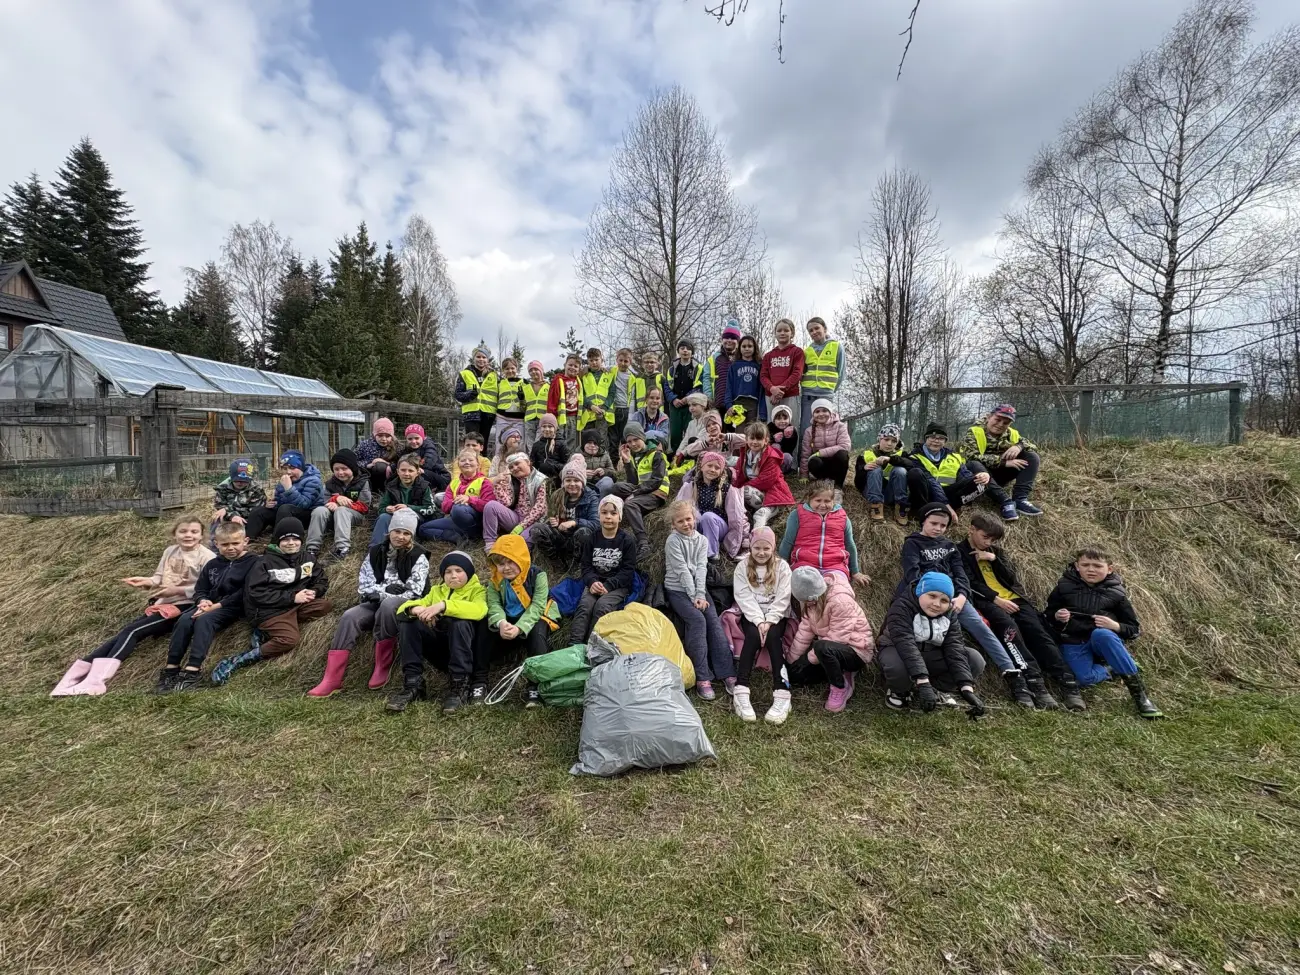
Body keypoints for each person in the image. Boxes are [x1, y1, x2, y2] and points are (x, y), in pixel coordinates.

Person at [51, 514, 214, 697]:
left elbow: (206, 588)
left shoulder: (207, 557)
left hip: (185, 605)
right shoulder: (170, 551)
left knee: (133, 632)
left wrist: (176, 591)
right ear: (174, 534)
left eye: (194, 532)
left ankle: (96, 681)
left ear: (202, 535)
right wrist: (146, 581)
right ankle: (75, 676)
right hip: (163, 603)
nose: (188, 535)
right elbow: (160, 577)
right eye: (183, 531)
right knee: (124, 632)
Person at [899, 502, 1034, 706]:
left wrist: (962, 595)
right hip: (925, 599)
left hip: (954, 599)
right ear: (923, 521)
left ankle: (1011, 672)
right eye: (933, 523)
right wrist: (930, 598)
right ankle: (915, 684)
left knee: (981, 629)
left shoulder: (950, 546)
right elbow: (912, 573)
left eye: (943, 525)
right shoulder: (913, 543)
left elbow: (961, 575)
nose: (938, 528)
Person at [959, 512, 1082, 711]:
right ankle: (1034, 682)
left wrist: (993, 559)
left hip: (1016, 599)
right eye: (985, 537)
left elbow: (1011, 577)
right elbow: (966, 582)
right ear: (972, 529)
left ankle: (1068, 684)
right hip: (988, 602)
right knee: (1011, 631)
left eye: (993, 539)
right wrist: (995, 599)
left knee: (1038, 632)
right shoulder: (959, 552)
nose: (988, 542)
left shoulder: (995, 552)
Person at [306, 509, 431, 698]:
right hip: (375, 602)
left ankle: (383, 665)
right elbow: (365, 585)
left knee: (388, 607)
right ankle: (332, 678)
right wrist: (384, 591)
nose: (401, 536)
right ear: (390, 531)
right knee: (350, 616)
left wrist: (381, 594)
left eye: (406, 533)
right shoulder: (375, 552)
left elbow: (414, 591)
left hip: (404, 605)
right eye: (397, 531)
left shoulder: (419, 556)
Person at [211, 517, 331, 685]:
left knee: (324, 606)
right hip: (268, 610)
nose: (291, 543)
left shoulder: (307, 558)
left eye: (295, 538)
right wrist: (292, 597)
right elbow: (255, 594)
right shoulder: (264, 562)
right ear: (277, 541)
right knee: (289, 640)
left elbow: (321, 580)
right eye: (285, 539)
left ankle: (268, 631)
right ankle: (239, 660)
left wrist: (314, 591)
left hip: (294, 605)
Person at [1044, 548, 1162, 719]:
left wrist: (1114, 625)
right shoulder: (1063, 587)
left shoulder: (1117, 593)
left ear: (1109, 569)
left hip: (1103, 640)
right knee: (1084, 679)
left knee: (1102, 634)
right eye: (1085, 565)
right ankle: (1113, 668)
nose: (1091, 570)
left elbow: (1133, 630)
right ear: (1077, 566)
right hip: (1073, 640)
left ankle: (1141, 697)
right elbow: (1048, 615)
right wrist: (1057, 616)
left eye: (1097, 566)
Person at [387, 551, 489, 714]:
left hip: (464, 654)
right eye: (448, 572)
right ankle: (413, 684)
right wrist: (415, 609)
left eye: (458, 570)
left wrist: (443, 606)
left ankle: (459, 687)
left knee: (460, 623)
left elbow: (480, 610)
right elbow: (401, 610)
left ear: (468, 573)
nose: (453, 576)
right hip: (440, 650)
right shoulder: (436, 591)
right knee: (409, 623)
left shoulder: (478, 591)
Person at [876, 571, 987, 716]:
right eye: (932, 596)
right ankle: (901, 690)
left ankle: (935, 689)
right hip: (897, 650)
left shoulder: (950, 614)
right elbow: (906, 644)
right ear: (920, 591)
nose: (936, 604)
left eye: (944, 600)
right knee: (896, 667)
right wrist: (923, 681)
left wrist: (966, 688)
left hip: (930, 654)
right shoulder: (901, 607)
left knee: (974, 659)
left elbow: (954, 648)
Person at [663, 499, 735, 701]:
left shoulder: (702, 541)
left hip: (700, 590)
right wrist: (694, 596)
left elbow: (701, 568)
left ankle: (727, 672)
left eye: (688, 519)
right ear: (673, 525)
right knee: (697, 621)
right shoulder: (673, 541)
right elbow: (682, 570)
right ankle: (702, 676)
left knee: (713, 622)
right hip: (677, 590)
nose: (686, 524)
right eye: (680, 521)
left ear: (694, 518)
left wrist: (701, 594)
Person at [485, 534, 561, 708]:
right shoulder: (495, 580)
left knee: (537, 633)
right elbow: (494, 604)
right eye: (501, 563)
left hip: (535, 615)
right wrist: (501, 623)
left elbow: (538, 606)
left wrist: (520, 628)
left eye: (511, 562)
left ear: (521, 559)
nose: (506, 568)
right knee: (485, 627)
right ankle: (479, 678)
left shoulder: (538, 575)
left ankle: (536, 686)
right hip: (509, 618)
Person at [784, 567, 874, 714]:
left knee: (821, 647)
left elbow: (838, 638)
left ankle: (840, 686)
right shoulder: (810, 604)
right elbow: (804, 632)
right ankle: (840, 672)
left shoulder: (841, 601)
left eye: (807, 600)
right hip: (829, 651)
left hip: (855, 649)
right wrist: (792, 661)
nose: (805, 604)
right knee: (795, 676)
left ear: (813, 595)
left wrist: (807, 659)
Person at [731, 527, 793, 724]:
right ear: (751, 547)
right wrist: (759, 621)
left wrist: (770, 620)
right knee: (754, 637)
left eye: (766, 548)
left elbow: (784, 597)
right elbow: (744, 597)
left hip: (776, 615)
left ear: (773, 548)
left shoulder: (782, 567)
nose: (761, 552)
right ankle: (741, 689)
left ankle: (782, 692)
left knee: (774, 637)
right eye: (757, 547)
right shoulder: (742, 567)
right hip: (752, 614)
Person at [569, 496, 638, 643]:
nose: (608, 517)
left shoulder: (627, 540)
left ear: (620, 517)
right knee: (584, 606)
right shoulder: (591, 539)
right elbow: (586, 567)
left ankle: (591, 646)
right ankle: (574, 646)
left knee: (602, 607)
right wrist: (592, 582)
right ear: (599, 515)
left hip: (617, 586)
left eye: (613, 513)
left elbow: (628, 571)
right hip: (595, 582)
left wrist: (609, 585)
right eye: (604, 512)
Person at [959, 404, 1044, 520]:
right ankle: (1005, 501)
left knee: (1032, 456)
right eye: (997, 419)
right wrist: (1003, 462)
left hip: (999, 476)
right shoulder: (974, 432)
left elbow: (1033, 447)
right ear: (989, 417)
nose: (1000, 425)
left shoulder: (1011, 433)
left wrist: (1019, 446)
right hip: (978, 476)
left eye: (1005, 423)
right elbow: (970, 456)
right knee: (974, 464)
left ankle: (1020, 499)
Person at [777, 480, 871, 586]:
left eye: (827, 501)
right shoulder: (797, 515)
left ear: (833, 501)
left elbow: (849, 544)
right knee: (807, 592)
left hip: (835, 567)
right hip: (805, 565)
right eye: (818, 500)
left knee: (840, 593)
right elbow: (788, 542)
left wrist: (855, 572)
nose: (822, 505)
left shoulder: (842, 517)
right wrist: (780, 567)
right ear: (809, 499)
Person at [904, 423, 989, 521]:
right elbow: (931, 481)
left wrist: (981, 475)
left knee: (980, 482)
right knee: (915, 473)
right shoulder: (914, 456)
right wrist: (945, 504)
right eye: (932, 437)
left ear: (945, 441)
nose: (936, 441)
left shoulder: (954, 456)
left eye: (941, 438)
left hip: (949, 494)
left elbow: (965, 475)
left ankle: (953, 508)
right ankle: (921, 512)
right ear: (925, 439)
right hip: (927, 494)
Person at [675, 451, 750, 559]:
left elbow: (737, 516)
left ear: (721, 471)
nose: (712, 470)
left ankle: (712, 555)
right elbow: (681, 509)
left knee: (708, 516)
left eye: (717, 467)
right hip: (700, 527)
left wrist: (740, 540)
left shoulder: (727, 489)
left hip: (720, 528)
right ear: (702, 466)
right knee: (694, 515)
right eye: (709, 465)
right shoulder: (693, 485)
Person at [610, 423, 670, 559]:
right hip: (643, 489)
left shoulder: (657, 455)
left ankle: (644, 543)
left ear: (642, 437)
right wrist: (627, 461)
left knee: (631, 504)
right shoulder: (636, 456)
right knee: (616, 487)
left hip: (657, 492)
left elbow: (656, 480)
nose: (633, 444)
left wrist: (634, 494)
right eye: (629, 441)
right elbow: (633, 482)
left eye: (635, 439)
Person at [530, 457, 599, 565]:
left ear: (583, 482)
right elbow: (551, 517)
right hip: (561, 535)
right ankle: (557, 562)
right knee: (536, 529)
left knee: (583, 532)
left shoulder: (591, 498)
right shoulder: (557, 495)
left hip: (579, 537)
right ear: (563, 482)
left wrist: (575, 522)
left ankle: (576, 564)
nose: (572, 484)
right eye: (568, 480)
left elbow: (596, 524)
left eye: (576, 480)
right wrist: (553, 522)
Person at [243, 450, 326, 540]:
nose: (288, 472)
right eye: (285, 468)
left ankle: (276, 543)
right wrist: (272, 504)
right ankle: (247, 539)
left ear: (301, 467)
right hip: (286, 514)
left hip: (306, 517)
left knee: (285, 508)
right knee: (259, 511)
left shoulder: (313, 481)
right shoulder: (285, 480)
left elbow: (304, 504)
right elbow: (280, 502)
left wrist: (289, 488)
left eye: (292, 468)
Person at [306, 449, 371, 559]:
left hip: (354, 516)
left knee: (341, 510)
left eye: (344, 468)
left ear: (353, 468)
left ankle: (342, 548)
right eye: (336, 469)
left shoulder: (362, 482)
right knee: (319, 510)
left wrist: (342, 504)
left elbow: (365, 506)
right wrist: (335, 499)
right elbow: (325, 502)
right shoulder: (330, 484)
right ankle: (312, 548)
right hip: (333, 517)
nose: (340, 472)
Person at [422, 448, 496, 544]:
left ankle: (474, 534)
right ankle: (457, 537)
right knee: (423, 529)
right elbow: (444, 507)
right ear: (458, 464)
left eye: (470, 460)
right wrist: (457, 500)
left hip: (476, 521)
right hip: (456, 520)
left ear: (478, 464)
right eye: (463, 460)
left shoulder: (484, 482)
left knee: (458, 509)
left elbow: (488, 506)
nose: (467, 462)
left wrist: (469, 499)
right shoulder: (454, 483)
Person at [732, 422, 795, 532]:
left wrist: (741, 488)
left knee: (759, 514)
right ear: (746, 439)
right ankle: (742, 531)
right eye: (752, 438)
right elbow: (739, 473)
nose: (755, 442)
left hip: (773, 493)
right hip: (756, 493)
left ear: (766, 440)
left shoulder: (771, 456)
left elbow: (765, 481)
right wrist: (733, 487)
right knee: (737, 497)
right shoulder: (745, 454)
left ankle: (758, 539)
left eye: (759, 439)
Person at [480, 453, 549, 551]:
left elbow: (539, 509)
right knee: (491, 506)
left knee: (522, 541)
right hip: (516, 517)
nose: (514, 468)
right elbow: (507, 503)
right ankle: (490, 544)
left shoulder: (541, 480)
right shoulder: (513, 480)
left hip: (534, 522)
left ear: (528, 462)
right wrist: (497, 485)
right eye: (511, 467)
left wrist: (522, 526)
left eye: (517, 464)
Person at [852, 423, 916, 525]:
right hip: (870, 493)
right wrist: (863, 469)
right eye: (886, 439)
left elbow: (912, 466)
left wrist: (891, 459)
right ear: (879, 439)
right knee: (875, 468)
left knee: (900, 470)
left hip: (890, 494)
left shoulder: (902, 454)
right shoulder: (865, 455)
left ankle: (901, 508)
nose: (889, 444)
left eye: (894, 441)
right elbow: (858, 484)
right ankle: (876, 508)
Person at [370, 454, 439, 546]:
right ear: (398, 471)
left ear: (417, 472)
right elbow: (381, 509)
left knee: (408, 517)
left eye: (410, 470)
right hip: (395, 517)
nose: (406, 474)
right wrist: (387, 509)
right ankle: (375, 550)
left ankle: (406, 549)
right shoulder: (391, 486)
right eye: (403, 470)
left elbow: (431, 509)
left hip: (417, 519)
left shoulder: (424, 486)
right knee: (383, 517)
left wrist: (409, 508)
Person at [761, 318, 805, 436]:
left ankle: (793, 455)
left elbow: (797, 373)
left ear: (792, 333)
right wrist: (772, 389)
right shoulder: (768, 355)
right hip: (771, 397)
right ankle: (772, 454)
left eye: (786, 330)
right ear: (775, 333)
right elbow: (763, 376)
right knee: (772, 430)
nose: (782, 333)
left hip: (791, 395)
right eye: (779, 330)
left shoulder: (797, 352)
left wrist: (780, 391)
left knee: (791, 429)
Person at [799, 399, 852, 490]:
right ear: (813, 414)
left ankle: (838, 486)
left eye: (824, 410)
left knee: (843, 454)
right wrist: (804, 474)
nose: (821, 414)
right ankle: (824, 482)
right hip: (821, 464)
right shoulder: (809, 431)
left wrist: (820, 452)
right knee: (813, 461)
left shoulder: (840, 426)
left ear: (830, 412)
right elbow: (805, 454)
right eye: (817, 411)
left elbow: (845, 445)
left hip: (836, 463)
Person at [211, 458, 266, 545]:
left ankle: (239, 544)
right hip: (228, 517)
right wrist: (232, 515)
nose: (240, 483)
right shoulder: (222, 488)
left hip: (246, 519)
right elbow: (219, 504)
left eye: (244, 481)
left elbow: (255, 510)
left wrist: (230, 511)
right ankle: (215, 545)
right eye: (237, 480)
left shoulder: (256, 490)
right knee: (216, 517)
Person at [800, 316, 842, 424]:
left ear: (825, 329)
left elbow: (841, 373)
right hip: (808, 395)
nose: (814, 332)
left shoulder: (836, 347)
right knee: (807, 427)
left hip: (826, 394)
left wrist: (831, 390)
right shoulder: (807, 351)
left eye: (817, 328)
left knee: (826, 428)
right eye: (811, 330)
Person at [454, 345, 498, 441]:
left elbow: (500, 394)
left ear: (488, 360)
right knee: (472, 443)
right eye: (478, 357)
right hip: (471, 414)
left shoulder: (495, 376)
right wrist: (469, 395)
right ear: (473, 358)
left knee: (484, 444)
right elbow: (457, 394)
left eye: (484, 357)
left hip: (488, 414)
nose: (481, 359)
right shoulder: (465, 373)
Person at [667, 340, 704, 452]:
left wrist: (687, 398)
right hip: (675, 406)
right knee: (675, 433)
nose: (685, 350)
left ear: (692, 352)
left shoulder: (698, 368)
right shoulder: (672, 369)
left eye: (688, 348)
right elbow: (667, 387)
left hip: (690, 405)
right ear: (678, 351)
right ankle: (674, 457)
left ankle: (689, 455)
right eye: (682, 348)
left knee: (691, 432)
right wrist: (673, 399)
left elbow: (699, 386)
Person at [354, 418, 402, 497]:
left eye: (387, 436)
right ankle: (366, 493)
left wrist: (387, 464)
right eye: (380, 435)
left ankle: (384, 492)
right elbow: (353, 461)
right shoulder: (365, 445)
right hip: (367, 475)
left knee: (380, 467)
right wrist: (367, 464)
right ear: (374, 434)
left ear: (392, 435)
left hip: (388, 477)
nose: (383, 439)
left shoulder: (398, 447)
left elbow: (402, 463)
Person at [546, 354, 585, 450]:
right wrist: (552, 418)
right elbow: (552, 399)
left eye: (576, 366)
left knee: (572, 443)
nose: (573, 368)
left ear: (579, 369)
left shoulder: (579, 381)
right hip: (561, 418)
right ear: (565, 365)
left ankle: (570, 463)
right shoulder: (558, 380)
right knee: (559, 442)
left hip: (574, 418)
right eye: (570, 365)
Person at [724, 334, 763, 428]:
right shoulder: (734, 366)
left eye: (750, 346)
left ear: (755, 348)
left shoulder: (759, 366)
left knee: (752, 432)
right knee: (739, 434)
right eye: (744, 346)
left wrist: (762, 411)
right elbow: (728, 387)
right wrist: (729, 405)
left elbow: (762, 389)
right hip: (738, 404)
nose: (747, 349)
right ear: (739, 348)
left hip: (754, 404)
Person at [579, 346, 614, 448]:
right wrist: (591, 406)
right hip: (588, 416)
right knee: (588, 442)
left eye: (596, 359)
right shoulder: (583, 376)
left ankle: (604, 463)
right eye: (591, 360)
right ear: (588, 361)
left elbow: (612, 393)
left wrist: (604, 408)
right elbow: (581, 394)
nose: (594, 362)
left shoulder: (608, 375)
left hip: (602, 415)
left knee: (602, 441)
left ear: (601, 359)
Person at [491, 358, 526, 454]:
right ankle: (499, 463)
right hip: (503, 418)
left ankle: (519, 463)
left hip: (519, 418)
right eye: (507, 369)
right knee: (500, 442)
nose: (510, 371)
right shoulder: (499, 383)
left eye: (512, 368)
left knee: (520, 442)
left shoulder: (525, 383)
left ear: (517, 369)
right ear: (503, 370)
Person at [704, 321, 741, 411]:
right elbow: (707, 378)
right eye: (726, 337)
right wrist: (708, 398)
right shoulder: (713, 359)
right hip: (717, 404)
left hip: (738, 404)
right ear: (722, 339)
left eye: (733, 338)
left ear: (738, 341)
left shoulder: (742, 358)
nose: (729, 340)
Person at [403, 424, 451, 493]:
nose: (413, 441)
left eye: (416, 438)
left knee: (419, 472)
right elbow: (401, 460)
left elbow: (428, 462)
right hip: (425, 474)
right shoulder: (407, 449)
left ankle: (432, 491)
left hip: (441, 477)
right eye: (410, 439)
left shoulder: (429, 446)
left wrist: (414, 468)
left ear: (422, 437)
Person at [528, 412, 572, 482]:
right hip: (540, 480)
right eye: (544, 426)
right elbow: (533, 464)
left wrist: (551, 466)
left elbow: (567, 464)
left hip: (557, 479)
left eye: (550, 426)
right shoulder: (536, 445)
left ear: (555, 428)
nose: (547, 429)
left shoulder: (561, 444)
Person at [608, 348, 636, 451]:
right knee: (612, 438)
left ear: (630, 362)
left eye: (626, 361)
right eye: (621, 360)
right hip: (613, 409)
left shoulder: (632, 377)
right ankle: (614, 462)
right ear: (617, 360)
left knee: (625, 437)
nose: (623, 363)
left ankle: (626, 461)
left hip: (625, 409)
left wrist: (631, 415)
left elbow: (632, 397)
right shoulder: (611, 371)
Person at [672, 392, 710, 465]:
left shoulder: (709, 421)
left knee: (693, 440)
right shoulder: (691, 423)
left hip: (704, 454)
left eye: (694, 405)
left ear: (703, 406)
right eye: (689, 405)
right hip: (690, 452)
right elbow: (685, 440)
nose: (691, 408)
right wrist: (677, 454)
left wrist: (682, 454)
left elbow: (700, 440)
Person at [521, 361, 551, 450]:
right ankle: (532, 462)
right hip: (529, 419)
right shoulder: (525, 387)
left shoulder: (549, 386)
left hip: (543, 419)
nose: (533, 372)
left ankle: (539, 462)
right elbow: (523, 406)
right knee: (530, 444)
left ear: (541, 371)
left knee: (539, 442)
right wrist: (521, 400)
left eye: (536, 369)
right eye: (530, 370)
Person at [630, 350, 668, 417]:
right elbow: (635, 398)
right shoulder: (638, 379)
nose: (649, 364)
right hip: (641, 413)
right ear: (642, 364)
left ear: (656, 364)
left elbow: (666, 397)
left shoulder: (661, 378)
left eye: (652, 362)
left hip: (658, 413)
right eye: (646, 362)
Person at [580, 430, 616, 497]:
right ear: (583, 444)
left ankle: (599, 504)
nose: (592, 445)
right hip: (583, 485)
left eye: (595, 443)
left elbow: (614, 474)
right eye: (589, 443)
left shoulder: (605, 455)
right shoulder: (577, 455)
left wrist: (604, 471)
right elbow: (563, 473)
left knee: (608, 481)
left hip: (600, 486)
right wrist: (581, 473)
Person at [767, 404, 799, 474]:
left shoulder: (792, 430)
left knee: (788, 456)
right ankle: (771, 470)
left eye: (785, 418)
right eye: (778, 419)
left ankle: (780, 473)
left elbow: (790, 449)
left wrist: (788, 438)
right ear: (773, 420)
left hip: (783, 459)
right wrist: (773, 438)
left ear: (789, 419)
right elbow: (763, 443)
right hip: (769, 459)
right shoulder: (769, 427)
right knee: (776, 446)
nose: (782, 421)